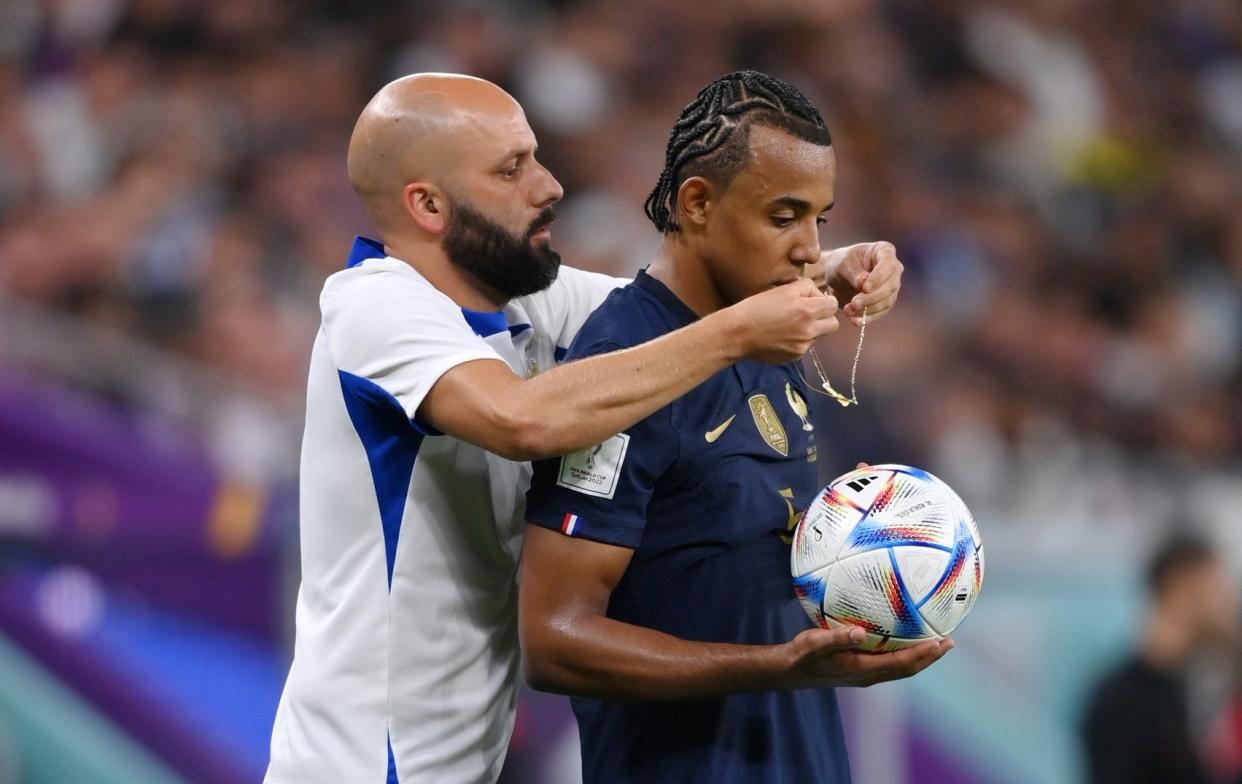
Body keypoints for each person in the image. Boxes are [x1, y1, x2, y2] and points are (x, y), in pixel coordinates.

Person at [264, 73, 904, 784]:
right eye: (511, 169)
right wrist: (741, 330)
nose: (549, 185)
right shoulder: (373, 306)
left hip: (457, 764)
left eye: (535, 156)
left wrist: (835, 264)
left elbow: (674, 307)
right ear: (428, 204)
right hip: (359, 767)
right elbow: (523, 419)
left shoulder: (523, 304)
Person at [518, 70, 948, 784]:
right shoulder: (623, 367)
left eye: (822, 219)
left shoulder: (768, 328)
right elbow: (552, 641)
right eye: (784, 217)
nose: (811, 249)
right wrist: (774, 668)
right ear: (697, 203)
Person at [1082, 533, 1239, 784]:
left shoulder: (1192, 693)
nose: (1229, 604)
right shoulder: (1120, 704)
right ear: (1182, 587)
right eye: (1218, 588)